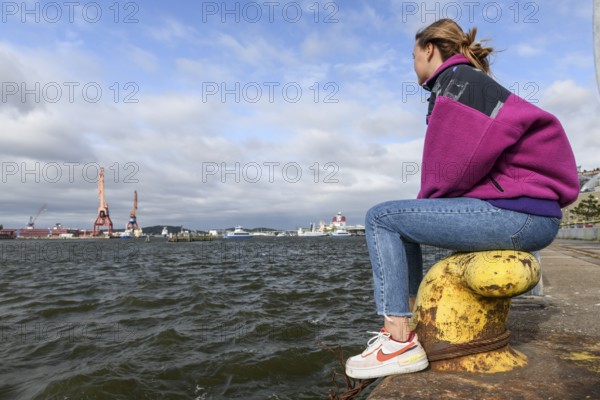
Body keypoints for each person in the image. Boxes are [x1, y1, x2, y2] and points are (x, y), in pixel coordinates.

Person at [345, 18, 580, 380]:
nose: (413, 65)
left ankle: (398, 340)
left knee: (382, 217)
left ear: (428, 49)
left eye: (413, 56)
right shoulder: (468, 83)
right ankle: (408, 330)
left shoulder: (459, 83)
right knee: (399, 220)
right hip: (527, 213)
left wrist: (425, 206)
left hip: (520, 216)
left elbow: (452, 168)